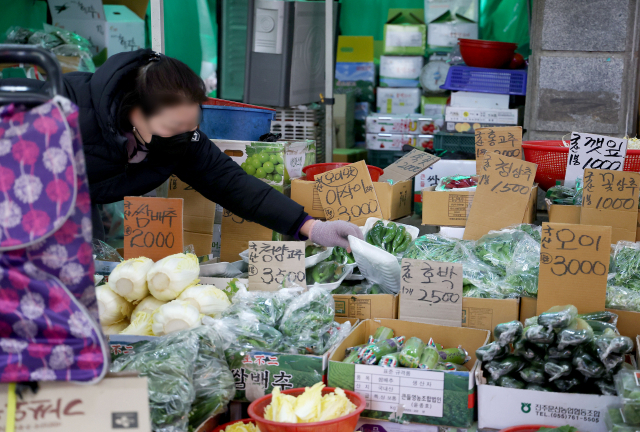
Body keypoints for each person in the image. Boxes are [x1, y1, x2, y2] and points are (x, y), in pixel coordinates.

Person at [8, 49, 364, 250]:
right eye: (174, 126)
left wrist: (311, 227)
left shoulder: (177, 139)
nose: (184, 134)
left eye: (191, 124)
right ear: (136, 110)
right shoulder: (64, 104)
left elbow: (233, 185)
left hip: (77, 209)